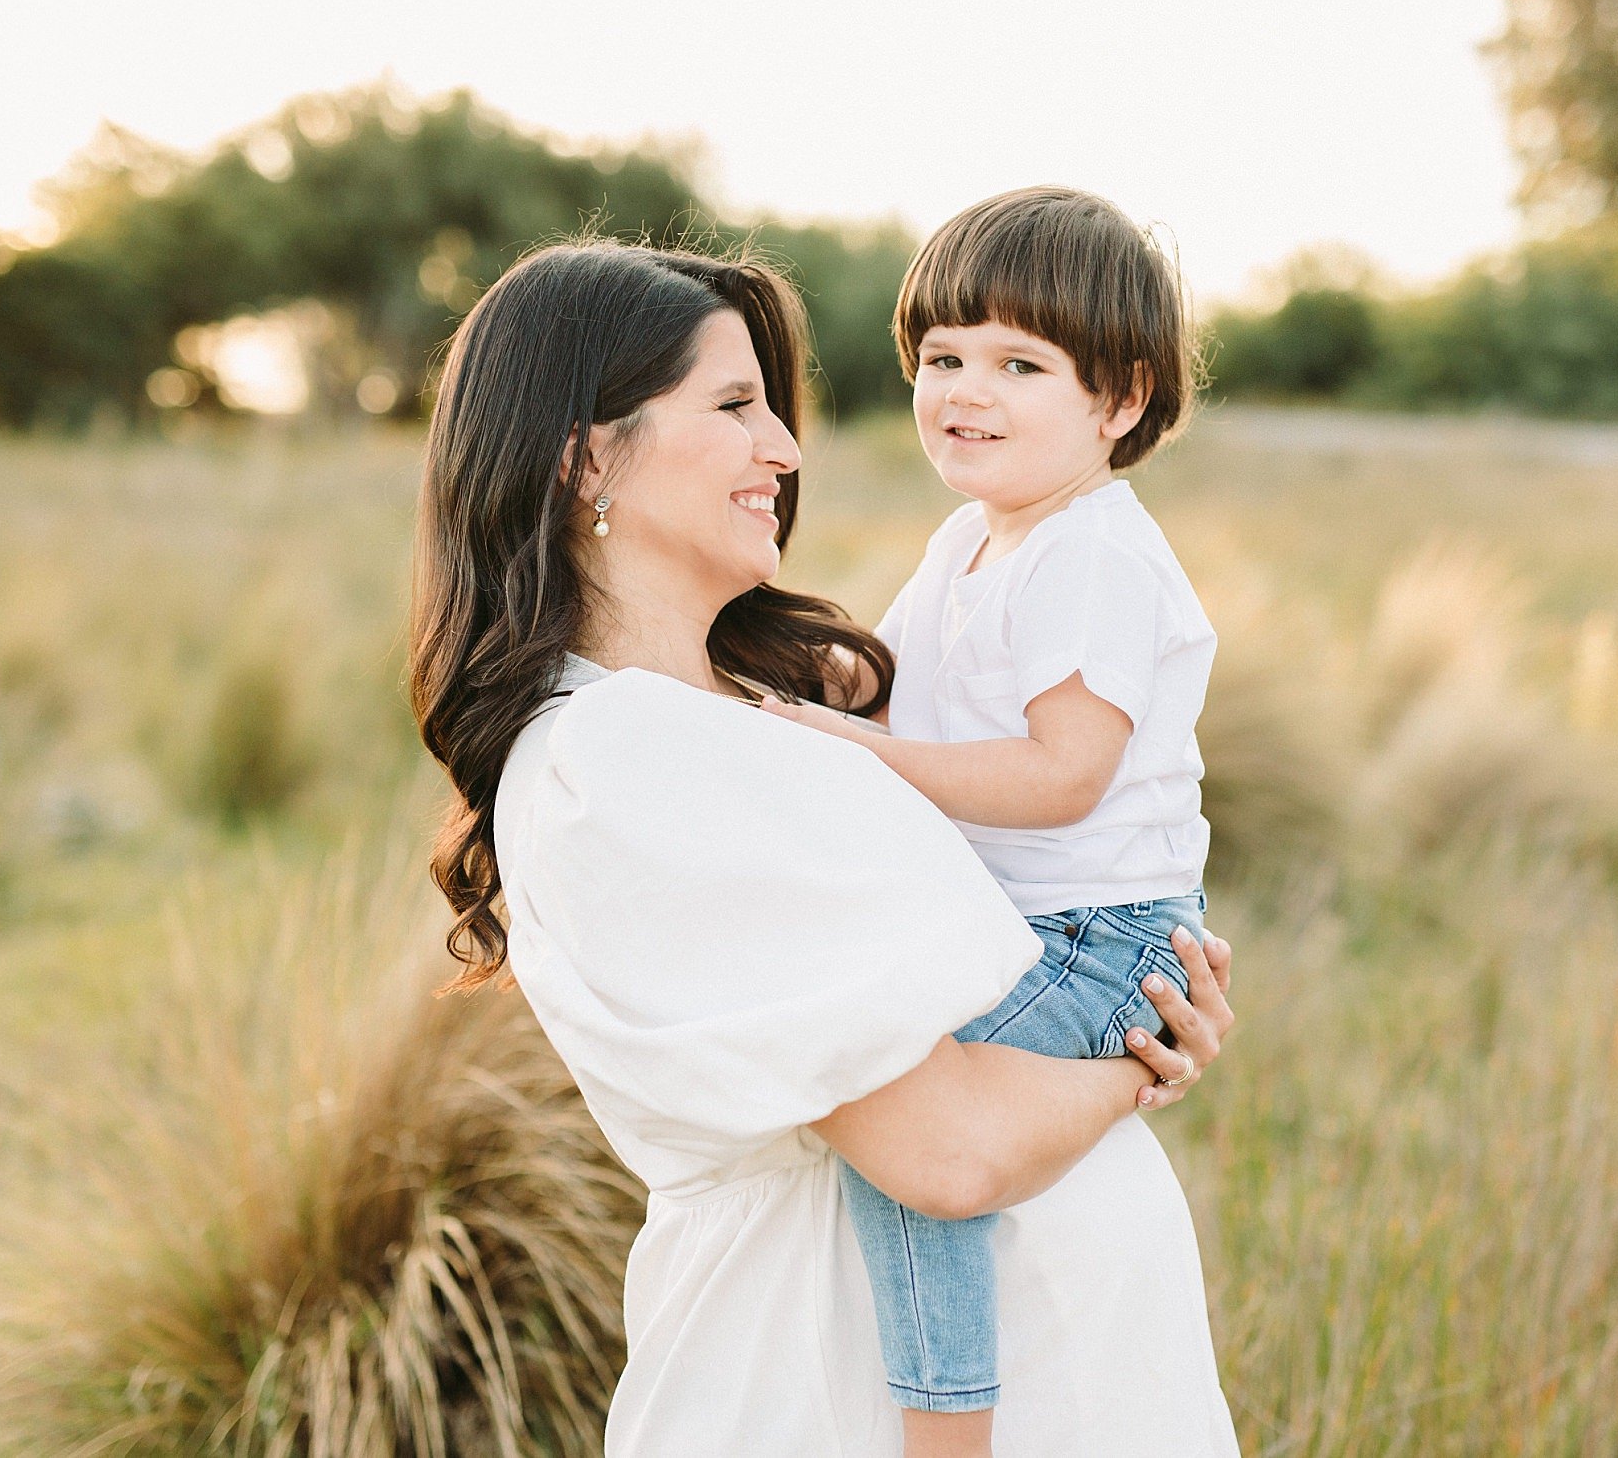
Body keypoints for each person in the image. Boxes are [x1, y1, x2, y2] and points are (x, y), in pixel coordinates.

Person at [408, 238, 1240, 1457]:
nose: (786, 451)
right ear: (587, 453)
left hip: (1072, 1381)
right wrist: (1148, 1062)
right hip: (829, 1391)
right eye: (736, 406)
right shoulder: (627, 756)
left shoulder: (738, 713)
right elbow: (946, 1153)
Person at [762, 186, 1216, 1456]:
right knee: (898, 1079)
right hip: (1023, 920)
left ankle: (944, 1423)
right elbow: (901, 686)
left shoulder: (1091, 555)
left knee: (915, 1115)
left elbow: (1060, 776)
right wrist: (799, 691)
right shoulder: (971, 536)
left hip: (1100, 934)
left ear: (1119, 401)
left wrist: (858, 751)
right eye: (944, 357)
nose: (967, 389)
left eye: (1021, 363)